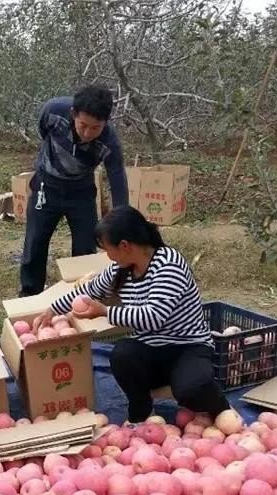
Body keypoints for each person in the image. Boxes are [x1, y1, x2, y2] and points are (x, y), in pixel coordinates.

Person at [34, 206, 231, 423]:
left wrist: (104, 312)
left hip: (188, 348)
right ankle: (142, 413)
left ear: (125, 246)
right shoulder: (122, 269)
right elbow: (88, 290)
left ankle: (223, 409)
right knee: (122, 354)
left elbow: (154, 317)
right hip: (153, 351)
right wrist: (53, 310)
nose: (107, 256)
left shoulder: (168, 264)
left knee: (190, 389)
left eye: (107, 249)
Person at [19, 84, 129, 297]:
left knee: (86, 245)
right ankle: (30, 294)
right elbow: (43, 131)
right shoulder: (53, 111)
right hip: (46, 186)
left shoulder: (110, 142)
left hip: (81, 191)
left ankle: (82, 293)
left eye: (95, 128)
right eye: (83, 125)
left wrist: (123, 218)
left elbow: (117, 177)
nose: (88, 133)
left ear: (106, 123)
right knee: (35, 242)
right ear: (73, 114)